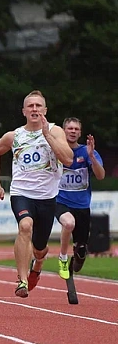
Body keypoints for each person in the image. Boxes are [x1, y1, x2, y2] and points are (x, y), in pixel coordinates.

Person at [0, 91, 73, 298]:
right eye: (30, 106)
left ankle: (38, 263)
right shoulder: (14, 136)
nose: (34, 109)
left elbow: (68, 159)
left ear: (45, 110)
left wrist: (47, 136)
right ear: (24, 111)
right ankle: (22, 280)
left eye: (38, 106)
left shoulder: (56, 131)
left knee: (40, 249)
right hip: (22, 193)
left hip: (47, 197)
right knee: (25, 226)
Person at [54, 117, 105, 304]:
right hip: (60, 201)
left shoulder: (87, 151)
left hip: (82, 206)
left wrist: (92, 157)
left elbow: (100, 176)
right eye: (70, 128)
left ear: (80, 133)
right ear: (63, 131)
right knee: (68, 223)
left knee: (81, 249)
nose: (73, 131)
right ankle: (62, 257)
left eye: (76, 129)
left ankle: (75, 260)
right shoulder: (56, 151)